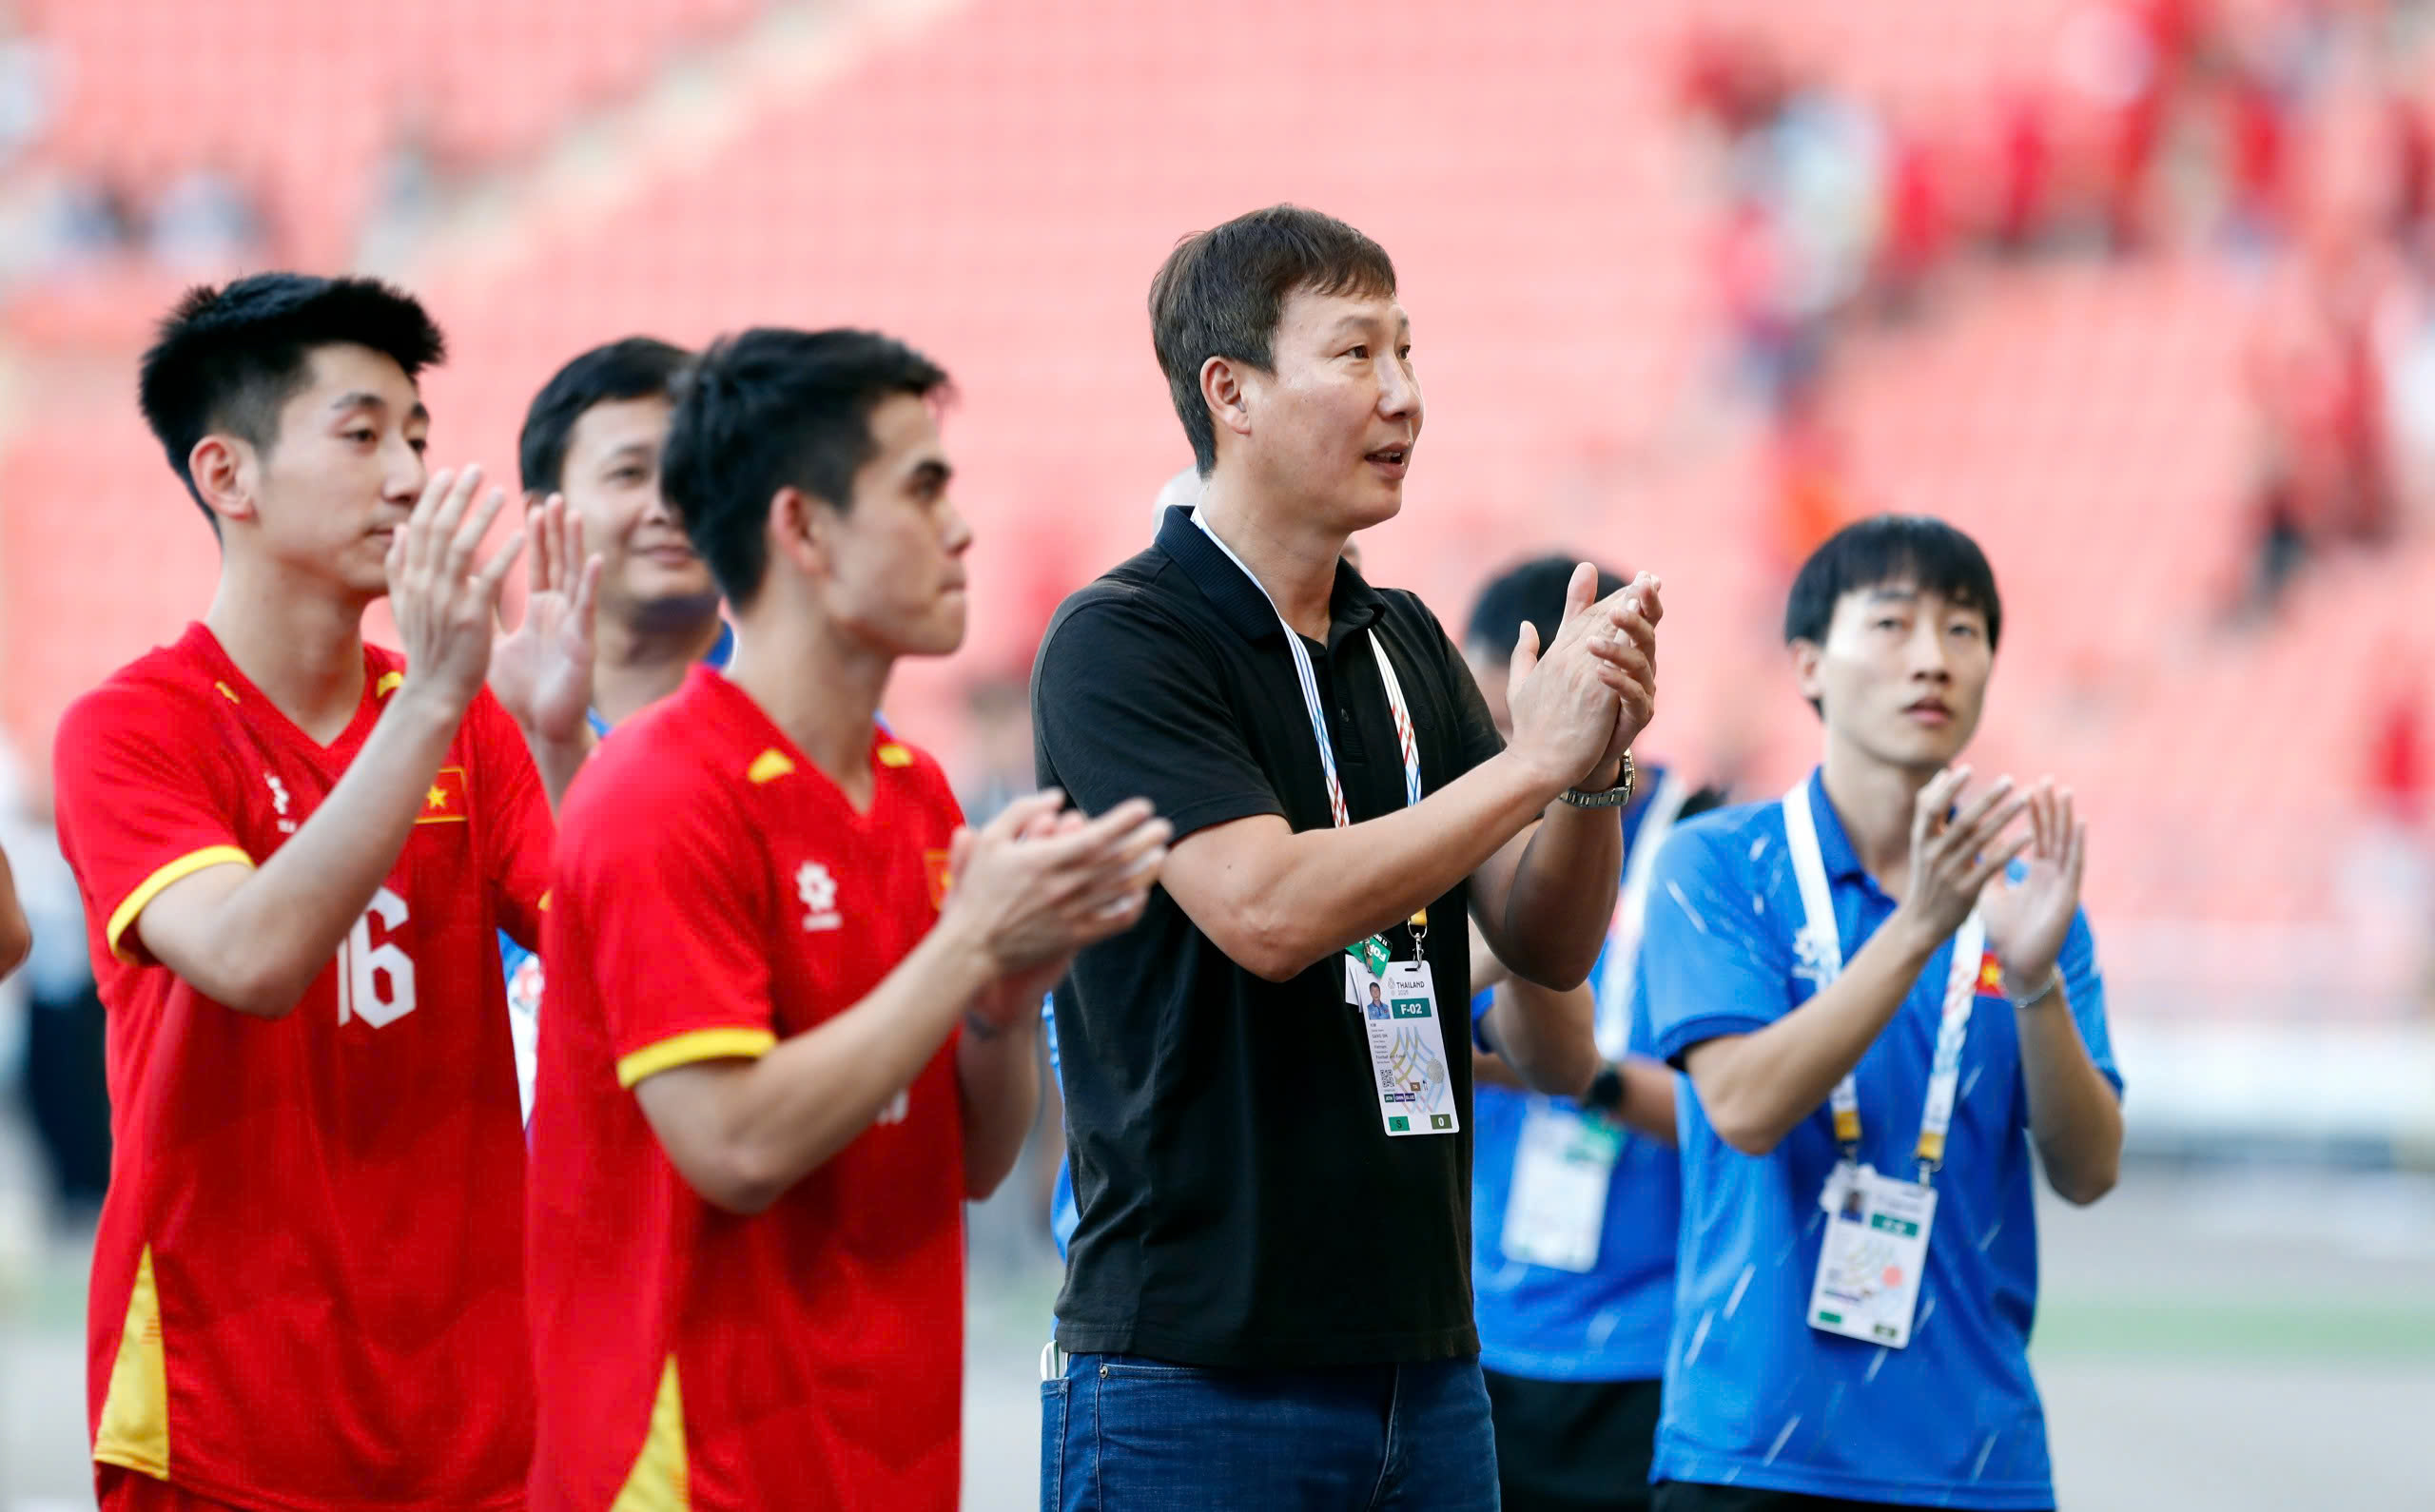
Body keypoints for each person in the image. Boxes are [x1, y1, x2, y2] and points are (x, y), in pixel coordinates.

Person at [1032, 204, 1658, 1509]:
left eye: (1410, 354)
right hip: (1190, 1371)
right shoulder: (1123, 640)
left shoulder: (1409, 641)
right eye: (1359, 354)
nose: (1406, 397)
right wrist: (1529, 767)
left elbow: (1547, 945)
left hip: (1426, 1368)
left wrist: (1592, 770)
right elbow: (1262, 909)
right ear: (1232, 393)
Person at [525, 327, 1171, 1510]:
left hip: (888, 1452)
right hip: (688, 1469)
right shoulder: (661, 789)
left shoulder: (916, 791)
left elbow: (973, 1164)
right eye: (921, 490)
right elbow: (735, 1147)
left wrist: (1008, 1000)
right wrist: (968, 944)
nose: (961, 530)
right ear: (802, 529)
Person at [50, 273, 598, 1511]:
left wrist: (561, 745)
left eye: (418, 435)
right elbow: (250, 955)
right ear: (227, 477)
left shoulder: (467, 722)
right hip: (219, 1412)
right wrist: (444, 699)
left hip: (476, 1424)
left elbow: (621, 951)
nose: (409, 475)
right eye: (361, 434)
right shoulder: (130, 731)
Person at [1642, 514, 2123, 1512]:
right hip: (1750, 1456)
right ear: (1808, 664)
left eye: (1963, 631)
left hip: (1976, 1462)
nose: (1932, 660)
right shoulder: (1719, 866)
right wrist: (1921, 926)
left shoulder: (2026, 903)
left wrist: (2030, 978)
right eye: (1894, 624)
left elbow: (2087, 1171)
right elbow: (1742, 1106)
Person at [1462, 554, 1726, 1512]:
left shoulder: (1712, 849)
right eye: (1486, 728)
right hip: (1481, 1331)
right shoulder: (1467, 827)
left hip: (1656, 1342)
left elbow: (1746, 1109)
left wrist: (1582, 1077)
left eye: (1509, 725)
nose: (1503, 755)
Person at [499, 336, 724, 1120]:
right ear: (542, 514)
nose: (670, 504)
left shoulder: (813, 730)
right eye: (630, 473)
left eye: (694, 468)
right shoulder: (461, 745)